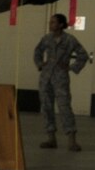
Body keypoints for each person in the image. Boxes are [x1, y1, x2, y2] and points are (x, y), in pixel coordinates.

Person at [34, 13, 89, 150]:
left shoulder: (69, 40)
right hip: (46, 78)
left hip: (60, 78)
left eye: (53, 22)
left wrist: (71, 67)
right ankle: (51, 138)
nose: (50, 24)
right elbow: (37, 51)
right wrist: (40, 64)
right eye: (50, 22)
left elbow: (83, 55)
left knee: (64, 107)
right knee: (46, 107)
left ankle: (71, 139)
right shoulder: (46, 39)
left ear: (60, 25)